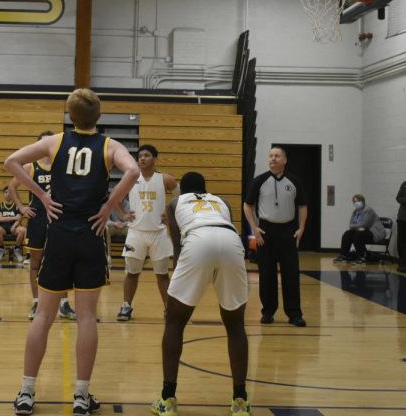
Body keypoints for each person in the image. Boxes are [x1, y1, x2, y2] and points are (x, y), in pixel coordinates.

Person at [5, 88, 140, 416]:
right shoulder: (110, 146)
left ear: (69, 115)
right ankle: (81, 396)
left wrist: (41, 194)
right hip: (92, 232)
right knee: (85, 317)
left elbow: (11, 162)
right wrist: (109, 206)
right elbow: (133, 172)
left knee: (43, 315)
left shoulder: (54, 142)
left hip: (60, 232)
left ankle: (26, 391)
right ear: (99, 115)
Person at [152, 172, 251, 416]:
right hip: (230, 240)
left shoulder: (176, 203)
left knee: (175, 321)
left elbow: (177, 245)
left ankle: (167, 398)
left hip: (197, 240)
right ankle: (240, 400)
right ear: (206, 189)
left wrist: (179, 284)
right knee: (235, 324)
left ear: (182, 190)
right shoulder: (222, 202)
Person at [8, 131, 76, 321]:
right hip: (37, 219)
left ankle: (64, 304)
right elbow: (12, 187)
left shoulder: (62, 166)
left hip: (58, 219)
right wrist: (21, 207)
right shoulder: (30, 167)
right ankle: (37, 302)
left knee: (61, 261)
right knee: (36, 263)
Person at [243, 146, 308, 327]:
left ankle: (294, 314)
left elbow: (303, 206)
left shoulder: (294, 180)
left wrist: (301, 228)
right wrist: (254, 228)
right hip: (266, 232)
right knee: (267, 273)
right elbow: (248, 205)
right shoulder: (259, 181)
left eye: (277, 156)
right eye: (271, 156)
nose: (273, 159)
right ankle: (268, 312)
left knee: (291, 274)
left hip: (288, 231)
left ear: (284, 160)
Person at [117, 144, 177, 321]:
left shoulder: (165, 179)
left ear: (155, 159)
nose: (142, 158)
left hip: (159, 233)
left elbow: (181, 198)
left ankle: (169, 309)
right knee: (132, 273)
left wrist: (171, 213)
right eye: (140, 156)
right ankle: (126, 307)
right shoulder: (131, 179)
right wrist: (123, 215)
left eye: (146, 155)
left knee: (162, 275)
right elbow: (115, 198)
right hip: (136, 233)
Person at [333, 194, 386, 265]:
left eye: (358, 201)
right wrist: (357, 227)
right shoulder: (355, 211)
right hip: (362, 231)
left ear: (363, 201)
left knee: (358, 235)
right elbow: (350, 225)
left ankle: (361, 258)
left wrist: (356, 226)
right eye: (354, 202)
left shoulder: (368, 210)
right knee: (347, 234)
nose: (356, 203)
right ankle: (343, 256)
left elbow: (365, 224)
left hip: (374, 233)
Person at [0, 186, 26, 263]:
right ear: (3, 194)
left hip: (13, 228)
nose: (8, 194)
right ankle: (2, 248)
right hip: (3, 228)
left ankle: (16, 248)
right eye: (6, 192)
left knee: (22, 230)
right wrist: (14, 217)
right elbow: (0, 219)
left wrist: (14, 225)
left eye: (10, 192)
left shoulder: (17, 205)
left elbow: (19, 219)